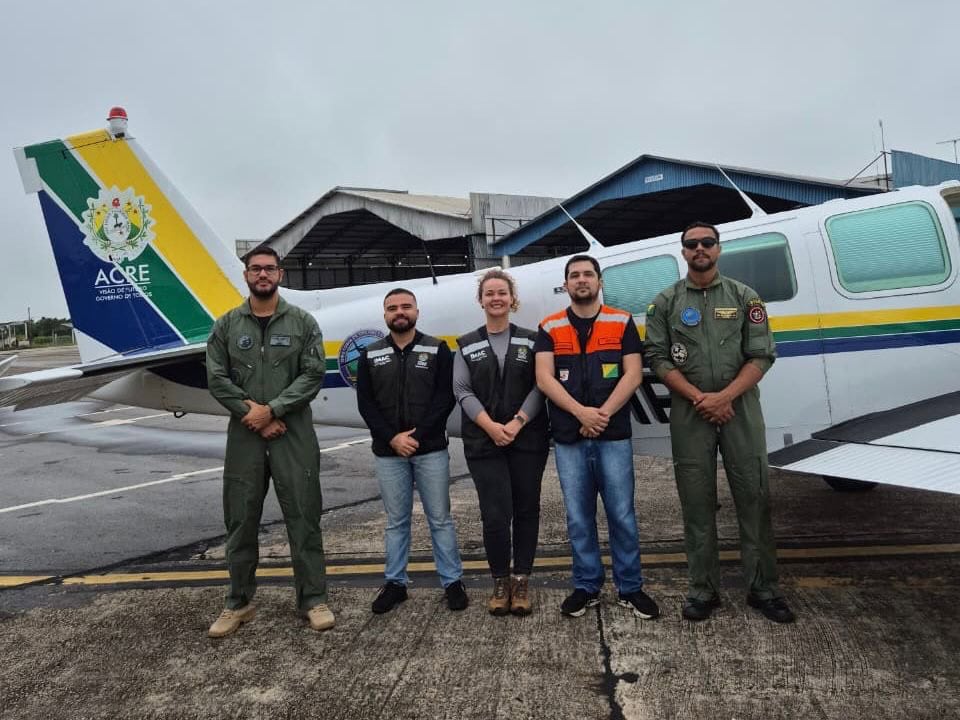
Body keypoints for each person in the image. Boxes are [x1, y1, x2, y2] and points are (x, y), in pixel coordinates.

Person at [644, 221, 795, 624]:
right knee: (696, 503)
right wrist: (700, 398)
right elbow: (657, 358)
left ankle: (764, 589)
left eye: (707, 242)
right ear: (683, 252)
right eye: (691, 243)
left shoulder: (745, 297)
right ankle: (702, 590)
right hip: (690, 413)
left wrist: (725, 397)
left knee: (754, 498)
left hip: (739, 410)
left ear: (718, 248)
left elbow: (762, 354)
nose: (700, 249)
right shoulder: (665, 303)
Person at [205, 245, 332, 637]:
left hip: (293, 433)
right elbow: (216, 378)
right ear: (246, 275)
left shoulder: (303, 323)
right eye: (256, 268)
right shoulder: (226, 325)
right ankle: (238, 602)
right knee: (240, 520)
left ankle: (313, 599)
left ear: (280, 274)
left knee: (304, 517)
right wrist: (256, 418)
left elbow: (312, 375)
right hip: (246, 436)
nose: (263, 274)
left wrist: (273, 410)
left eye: (269, 268)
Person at [534, 255, 660, 620]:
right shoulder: (549, 326)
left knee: (622, 515)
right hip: (570, 438)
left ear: (599, 282)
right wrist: (581, 413)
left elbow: (633, 374)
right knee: (578, 518)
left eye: (588, 274)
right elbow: (544, 378)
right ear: (566, 285)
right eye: (574, 275)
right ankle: (586, 586)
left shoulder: (621, 321)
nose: (581, 280)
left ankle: (630, 587)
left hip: (612, 436)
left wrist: (600, 415)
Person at [356, 288, 468, 614]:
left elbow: (445, 398)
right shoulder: (370, 353)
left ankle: (452, 582)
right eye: (393, 308)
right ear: (385, 315)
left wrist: (417, 436)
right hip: (388, 452)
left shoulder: (437, 349)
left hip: (430, 449)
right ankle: (395, 584)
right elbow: (366, 404)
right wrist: (392, 438)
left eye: (406, 306)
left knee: (440, 519)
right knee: (396, 521)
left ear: (417, 312)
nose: (400, 312)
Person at [454, 270, 550, 616]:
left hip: (527, 439)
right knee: (495, 514)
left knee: (526, 510)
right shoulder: (466, 344)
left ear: (512, 299)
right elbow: (462, 390)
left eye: (502, 293)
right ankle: (499, 580)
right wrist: (491, 427)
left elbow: (541, 385)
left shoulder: (532, 340)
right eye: (489, 293)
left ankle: (521, 580)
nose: (496, 298)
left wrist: (517, 422)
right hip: (484, 442)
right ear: (481, 300)